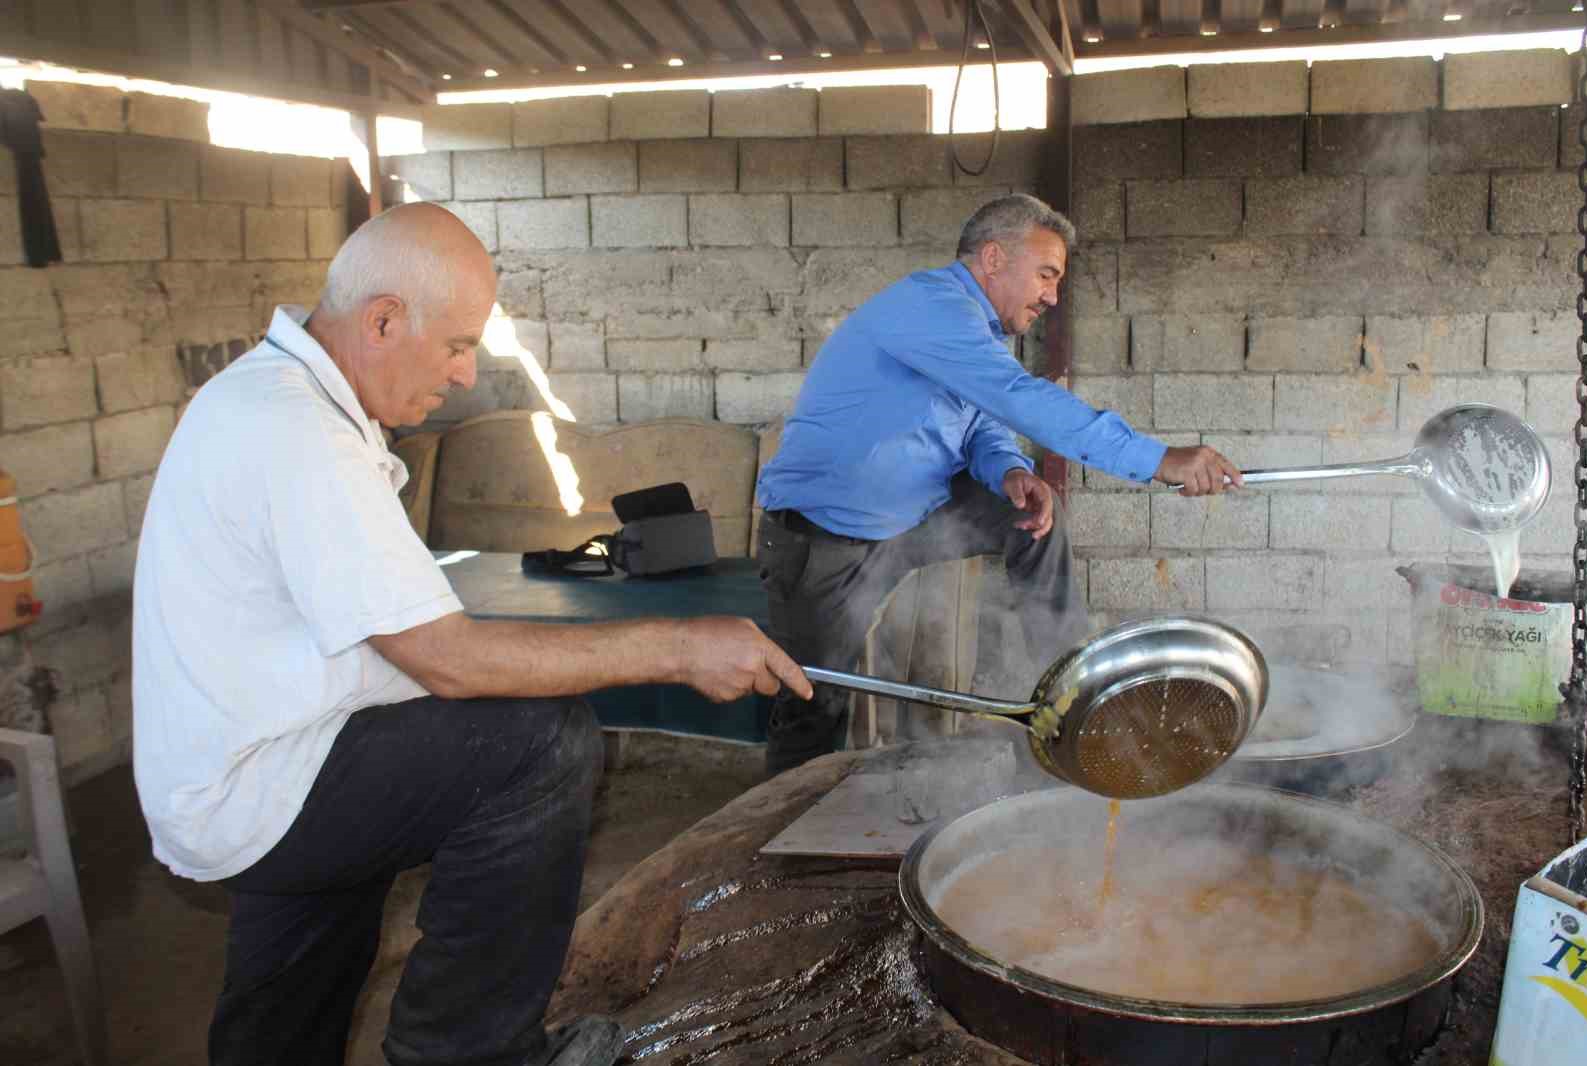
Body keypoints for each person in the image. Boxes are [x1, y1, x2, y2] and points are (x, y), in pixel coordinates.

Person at [131, 202, 811, 1066]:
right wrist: (680, 645)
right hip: (263, 774)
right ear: (382, 320)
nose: (462, 376)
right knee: (535, 743)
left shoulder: (274, 396)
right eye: (456, 345)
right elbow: (447, 658)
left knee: (306, 958)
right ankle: (474, 1054)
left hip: (262, 749)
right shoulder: (296, 434)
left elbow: (404, 636)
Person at [754, 193, 1239, 776]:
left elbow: (982, 420)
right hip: (824, 538)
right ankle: (778, 843)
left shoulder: (974, 333)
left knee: (1034, 518)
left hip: (914, 519)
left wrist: (1009, 470)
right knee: (811, 700)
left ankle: (1071, 698)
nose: (1052, 296)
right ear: (992, 259)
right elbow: (1016, 397)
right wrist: (1157, 459)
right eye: (1045, 275)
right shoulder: (928, 308)